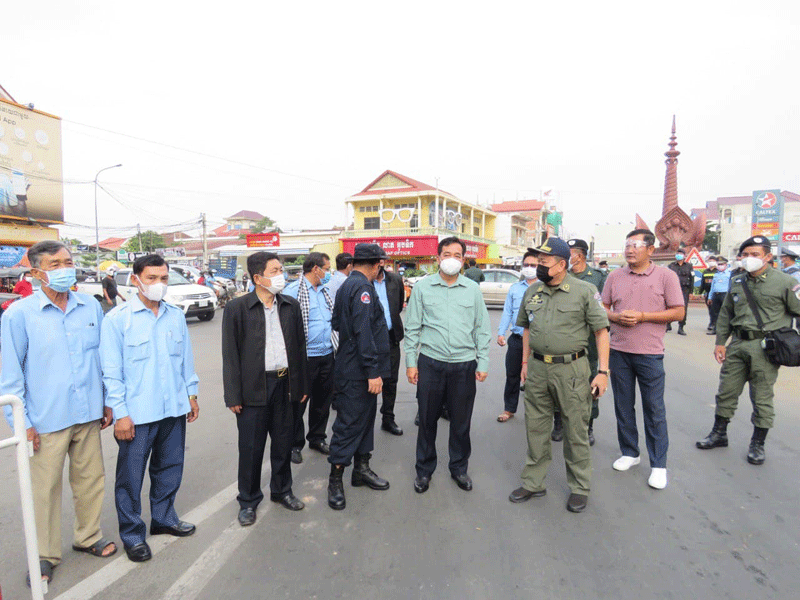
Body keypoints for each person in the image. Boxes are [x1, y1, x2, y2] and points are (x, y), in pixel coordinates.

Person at [1, 241, 116, 586]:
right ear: (37, 273)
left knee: (90, 480)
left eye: (68, 261)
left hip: (87, 413)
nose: (66, 268)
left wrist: (107, 400)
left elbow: (102, 358)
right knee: (44, 490)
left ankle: (88, 536)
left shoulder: (90, 307)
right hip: (45, 420)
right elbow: (10, 376)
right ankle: (45, 555)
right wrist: (22, 424)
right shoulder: (18, 315)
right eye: (56, 264)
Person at [101, 254, 200, 563]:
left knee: (170, 467)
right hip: (137, 415)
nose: (159, 284)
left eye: (164, 278)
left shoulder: (175, 316)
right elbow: (111, 373)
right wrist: (120, 413)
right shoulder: (117, 320)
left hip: (173, 407)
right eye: (152, 278)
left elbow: (185, 360)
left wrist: (191, 394)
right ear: (136, 280)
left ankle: (164, 518)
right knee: (130, 479)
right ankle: (133, 535)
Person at [509, 237, 610, 513]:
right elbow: (526, 328)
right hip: (538, 368)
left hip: (572, 370)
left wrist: (603, 372)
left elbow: (601, 332)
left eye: (543, 262)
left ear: (561, 264)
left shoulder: (585, 291)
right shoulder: (533, 291)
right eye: (537, 262)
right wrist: (525, 363)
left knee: (575, 429)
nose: (538, 266)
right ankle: (533, 482)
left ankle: (579, 487)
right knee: (536, 427)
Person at [222, 251, 309, 526]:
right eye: (275, 271)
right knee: (251, 448)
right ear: (258, 278)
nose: (281, 275)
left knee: (283, 442)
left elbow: (300, 348)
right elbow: (230, 354)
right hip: (253, 388)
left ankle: (282, 490)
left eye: (281, 270)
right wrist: (233, 395)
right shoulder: (237, 309)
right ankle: (248, 501)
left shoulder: (290, 306)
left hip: (286, 384)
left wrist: (302, 384)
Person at [696, 236, 800, 465]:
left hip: (766, 348)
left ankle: (757, 444)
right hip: (738, 345)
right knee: (726, 391)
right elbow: (726, 313)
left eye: (755, 254)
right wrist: (720, 342)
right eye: (745, 254)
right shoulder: (737, 280)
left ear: (768, 257)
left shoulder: (785, 282)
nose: (748, 258)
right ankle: (719, 434)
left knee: (761, 396)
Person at [404, 237, 491, 494]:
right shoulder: (423, 288)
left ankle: (459, 468)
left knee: (461, 423)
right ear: (438, 258)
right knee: (427, 420)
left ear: (463, 260)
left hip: (464, 365)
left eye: (457, 255)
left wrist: (483, 361)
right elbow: (413, 327)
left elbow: (482, 328)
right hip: (431, 363)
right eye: (447, 254)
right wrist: (411, 363)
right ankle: (424, 470)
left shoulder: (472, 289)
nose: (452, 259)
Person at [601, 229, 685, 490]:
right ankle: (630, 452)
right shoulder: (614, 276)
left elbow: (678, 312)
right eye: (627, 244)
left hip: (650, 353)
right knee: (623, 405)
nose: (630, 249)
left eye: (636, 245)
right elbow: (602, 307)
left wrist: (644, 316)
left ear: (650, 249)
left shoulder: (666, 276)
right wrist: (616, 317)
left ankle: (659, 465)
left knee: (654, 409)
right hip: (619, 350)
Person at [327, 243, 391, 510]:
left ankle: (361, 469)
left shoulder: (347, 285)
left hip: (353, 367)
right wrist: (372, 371)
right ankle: (335, 480)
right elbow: (363, 332)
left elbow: (337, 323)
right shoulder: (362, 288)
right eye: (381, 265)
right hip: (358, 372)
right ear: (376, 265)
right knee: (349, 424)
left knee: (364, 421)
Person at [283, 252, 336, 463]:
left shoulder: (325, 291)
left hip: (327, 354)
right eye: (327, 269)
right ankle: (294, 445)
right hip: (304, 358)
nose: (329, 273)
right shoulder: (292, 292)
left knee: (322, 401)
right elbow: (286, 328)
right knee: (298, 403)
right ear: (316, 269)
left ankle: (317, 438)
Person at [566, 238, 606, 446]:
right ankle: (559, 422)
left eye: (569, 252)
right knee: (562, 381)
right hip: (566, 336)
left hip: (589, 339)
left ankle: (589, 425)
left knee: (590, 382)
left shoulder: (598, 277)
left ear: (579, 255)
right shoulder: (563, 274)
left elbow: (605, 307)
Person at [496, 249, 538, 423]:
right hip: (517, 340)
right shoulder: (515, 288)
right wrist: (501, 332)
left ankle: (537, 414)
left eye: (533, 265)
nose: (529, 268)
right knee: (512, 376)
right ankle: (509, 409)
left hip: (537, 342)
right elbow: (507, 312)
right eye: (526, 264)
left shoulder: (545, 287)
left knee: (536, 380)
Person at [373, 259, 406, 435]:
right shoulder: (363, 281)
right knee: (369, 381)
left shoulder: (395, 280)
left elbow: (398, 306)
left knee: (391, 381)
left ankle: (388, 418)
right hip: (370, 340)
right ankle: (365, 422)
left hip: (391, 337)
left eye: (381, 260)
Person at [667, 250, 694, 335]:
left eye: (680, 254)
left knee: (683, 308)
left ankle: (681, 327)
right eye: (677, 254)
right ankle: (668, 324)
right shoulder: (671, 266)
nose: (678, 255)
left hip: (685, 290)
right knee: (670, 307)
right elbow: (666, 278)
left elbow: (692, 279)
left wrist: (691, 292)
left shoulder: (689, 266)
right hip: (672, 289)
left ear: (684, 255)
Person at [706, 257, 730, 335]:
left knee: (725, 313)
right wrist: (710, 297)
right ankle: (715, 329)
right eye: (719, 264)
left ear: (726, 265)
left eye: (722, 264)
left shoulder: (729, 274)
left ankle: (726, 330)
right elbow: (712, 287)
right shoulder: (716, 274)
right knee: (715, 313)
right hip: (716, 295)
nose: (720, 266)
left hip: (725, 295)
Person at [700, 256, 718, 331]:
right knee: (710, 309)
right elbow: (703, 282)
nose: (711, 262)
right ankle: (712, 323)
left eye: (713, 261)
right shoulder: (705, 271)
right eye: (710, 261)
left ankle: (715, 324)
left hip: (716, 293)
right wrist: (700, 292)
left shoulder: (717, 271)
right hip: (708, 293)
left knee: (715, 309)